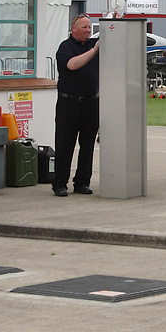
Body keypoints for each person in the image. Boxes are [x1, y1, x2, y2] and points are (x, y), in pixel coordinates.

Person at [53, 14, 100, 197]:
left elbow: (109, 34)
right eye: (84, 28)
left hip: (90, 103)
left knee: (87, 145)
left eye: (89, 28)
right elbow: (72, 65)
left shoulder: (92, 44)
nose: (88, 31)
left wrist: (115, 19)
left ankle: (82, 182)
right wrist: (93, 52)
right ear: (73, 28)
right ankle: (60, 184)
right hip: (69, 103)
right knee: (65, 144)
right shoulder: (66, 47)